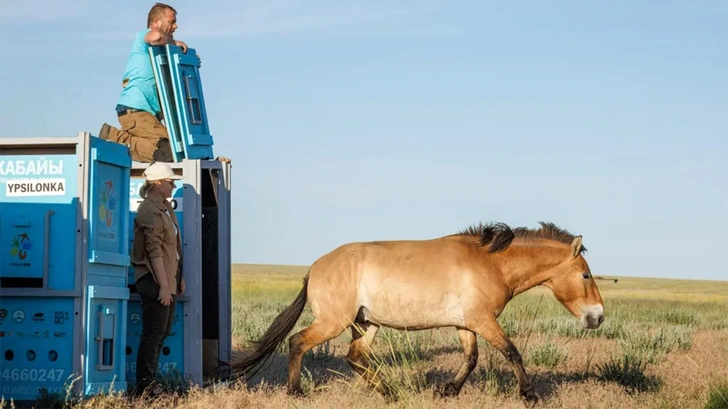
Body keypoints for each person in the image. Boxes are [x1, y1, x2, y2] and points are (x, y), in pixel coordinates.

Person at [99, 3, 190, 163]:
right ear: (156, 22)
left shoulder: (159, 51)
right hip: (135, 110)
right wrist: (173, 42)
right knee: (171, 151)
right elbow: (156, 37)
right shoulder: (144, 36)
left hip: (145, 113)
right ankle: (115, 138)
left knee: (176, 149)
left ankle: (119, 140)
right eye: (171, 21)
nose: (175, 26)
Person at [130, 161, 185, 397]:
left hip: (166, 280)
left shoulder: (164, 207)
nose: (173, 186)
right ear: (158, 183)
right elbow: (153, 252)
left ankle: (150, 385)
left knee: (160, 333)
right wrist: (163, 286)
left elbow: (171, 249)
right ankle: (145, 388)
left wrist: (176, 278)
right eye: (171, 182)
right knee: (153, 334)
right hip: (154, 280)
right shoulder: (149, 210)